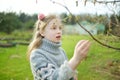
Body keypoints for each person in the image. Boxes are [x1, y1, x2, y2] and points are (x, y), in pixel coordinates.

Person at [27, 13, 91, 80]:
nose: (59, 31)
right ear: (42, 32)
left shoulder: (61, 51)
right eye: (54, 28)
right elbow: (53, 78)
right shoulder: (37, 54)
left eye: (60, 28)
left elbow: (69, 74)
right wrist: (76, 59)